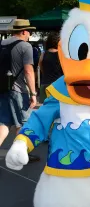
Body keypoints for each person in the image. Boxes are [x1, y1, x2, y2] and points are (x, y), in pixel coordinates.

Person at [0, 19, 39, 162]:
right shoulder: (25, 46)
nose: (30, 34)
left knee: (4, 123)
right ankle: (19, 155)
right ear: (23, 31)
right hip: (18, 89)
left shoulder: (2, 43)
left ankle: (19, 153)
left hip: (3, 87)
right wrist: (33, 93)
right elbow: (29, 71)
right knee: (22, 123)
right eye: (29, 31)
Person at [38, 32, 63, 103]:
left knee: (45, 109)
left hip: (45, 84)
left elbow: (41, 68)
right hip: (58, 85)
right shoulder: (62, 55)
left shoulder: (43, 54)